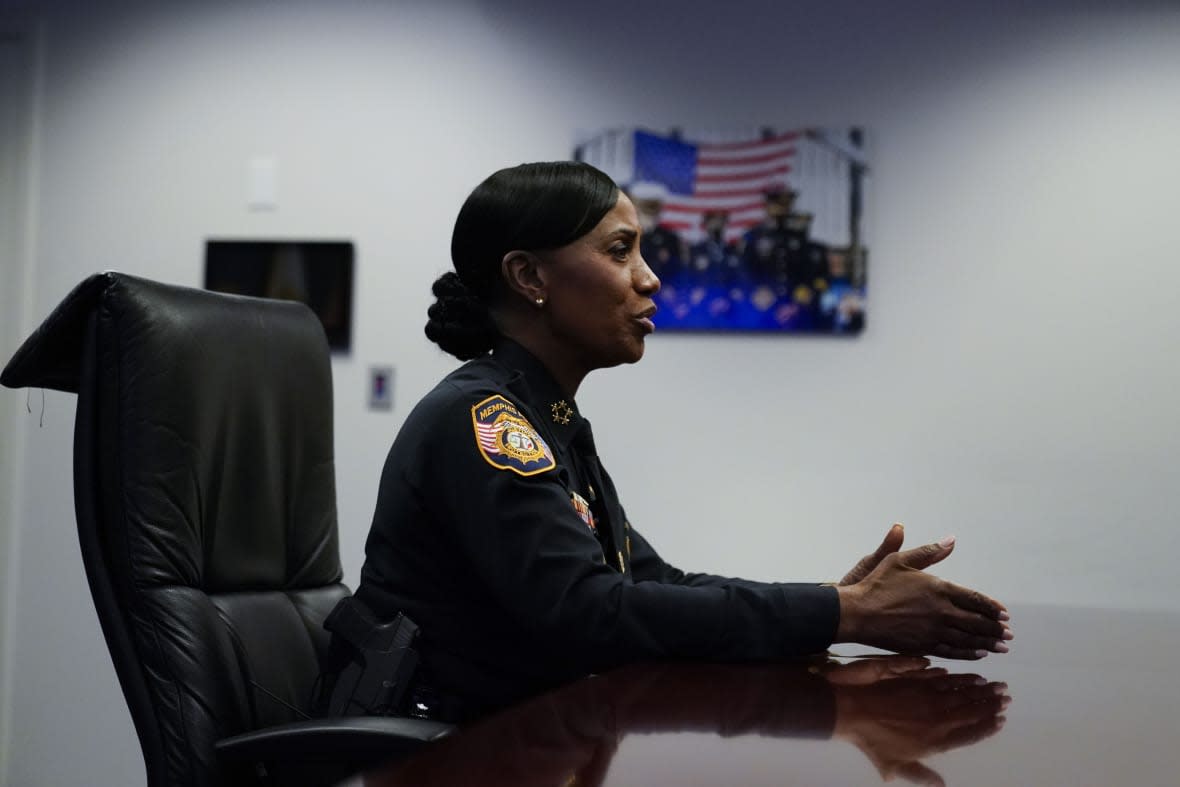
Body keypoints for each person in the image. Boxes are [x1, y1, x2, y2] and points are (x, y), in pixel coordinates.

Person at [353, 161, 1011, 720]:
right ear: (530, 278)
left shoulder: (549, 417)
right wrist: (842, 615)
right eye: (619, 251)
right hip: (438, 750)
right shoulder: (484, 421)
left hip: (523, 731)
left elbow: (649, 579)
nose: (650, 278)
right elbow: (588, 612)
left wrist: (835, 603)